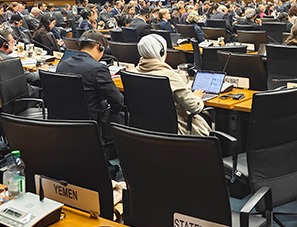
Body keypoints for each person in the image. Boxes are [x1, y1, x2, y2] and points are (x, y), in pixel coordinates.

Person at [56, 30, 125, 159]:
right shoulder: (98, 68)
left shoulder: (62, 65)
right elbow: (117, 101)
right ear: (100, 47)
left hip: (66, 120)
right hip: (92, 120)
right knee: (122, 112)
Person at [131, 34, 211, 136]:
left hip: (144, 130)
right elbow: (194, 107)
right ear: (161, 52)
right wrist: (197, 97)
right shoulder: (170, 76)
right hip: (175, 131)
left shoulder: (132, 73)